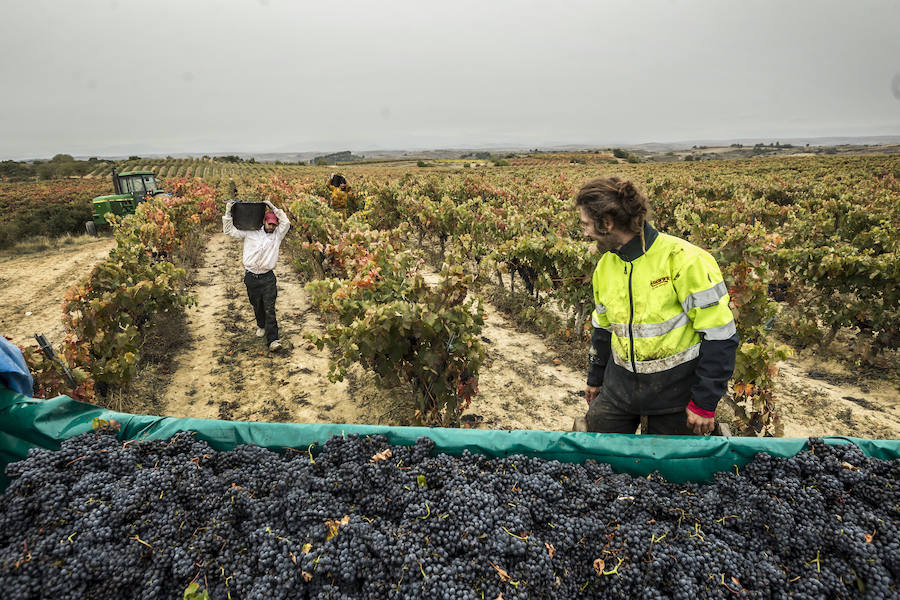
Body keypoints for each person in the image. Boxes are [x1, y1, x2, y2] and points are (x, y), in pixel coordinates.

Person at [575, 176, 739, 436]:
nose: (585, 232)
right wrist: (595, 379)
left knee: (670, 461)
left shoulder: (685, 260)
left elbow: (720, 336)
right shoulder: (606, 265)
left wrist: (704, 403)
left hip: (676, 394)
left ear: (607, 222)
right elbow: (603, 329)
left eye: (586, 224)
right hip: (620, 390)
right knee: (598, 447)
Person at [222, 200, 290, 352]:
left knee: (269, 308)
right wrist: (228, 212)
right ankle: (261, 325)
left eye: (274, 225)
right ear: (264, 222)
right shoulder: (250, 232)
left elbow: (286, 222)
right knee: (256, 304)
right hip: (251, 277)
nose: (272, 227)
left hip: (267, 278)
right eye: (270, 224)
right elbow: (229, 231)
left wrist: (273, 207)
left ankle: (273, 340)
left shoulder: (277, 236)